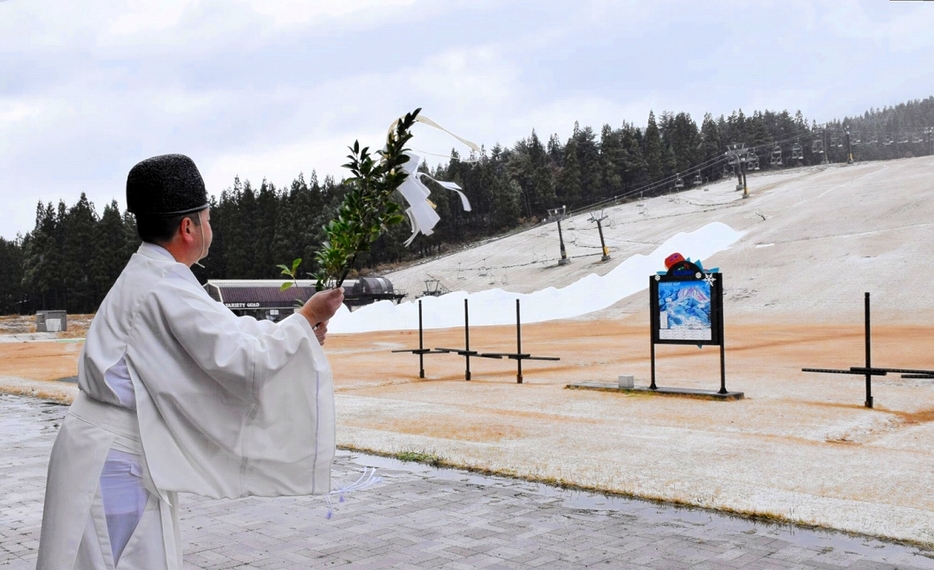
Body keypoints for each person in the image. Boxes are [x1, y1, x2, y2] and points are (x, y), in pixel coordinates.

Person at [36, 154, 344, 568]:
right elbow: (239, 360)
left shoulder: (157, 273)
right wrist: (306, 319)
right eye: (208, 218)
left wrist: (296, 329)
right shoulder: (163, 284)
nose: (209, 227)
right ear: (188, 227)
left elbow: (228, 332)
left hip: (106, 452)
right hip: (114, 463)